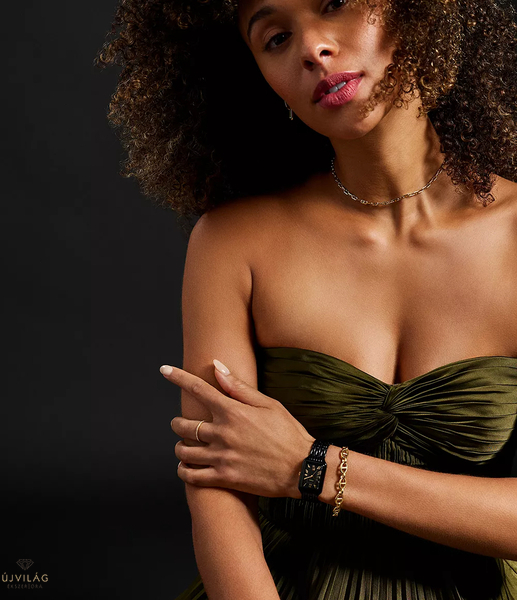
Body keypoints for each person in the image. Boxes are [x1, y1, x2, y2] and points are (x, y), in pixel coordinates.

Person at [95, 0, 517, 598]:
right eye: (275, 38)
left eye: (336, 3)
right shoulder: (232, 244)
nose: (313, 48)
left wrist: (311, 467)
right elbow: (217, 498)